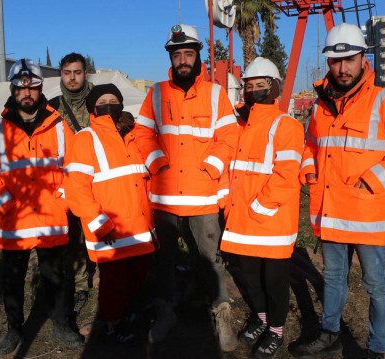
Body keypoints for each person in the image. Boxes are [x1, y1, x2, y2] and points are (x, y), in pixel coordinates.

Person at [291, 24, 385, 359]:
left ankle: (376, 350)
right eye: (336, 61)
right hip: (332, 214)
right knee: (334, 280)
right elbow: (309, 145)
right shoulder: (321, 107)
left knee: (378, 287)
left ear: (363, 58)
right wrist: (309, 171)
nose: (342, 68)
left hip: (368, 217)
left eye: (349, 59)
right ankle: (329, 334)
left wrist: (377, 177)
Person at [133, 24, 239, 351]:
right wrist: (158, 164)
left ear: (198, 57)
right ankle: (166, 311)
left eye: (188, 54)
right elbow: (141, 135)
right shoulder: (155, 93)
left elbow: (228, 138)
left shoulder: (215, 94)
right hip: (164, 198)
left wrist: (210, 169)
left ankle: (221, 311)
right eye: (177, 54)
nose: (182, 60)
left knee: (211, 259)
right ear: (171, 57)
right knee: (163, 261)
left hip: (203, 197)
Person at [0, 58, 84, 354]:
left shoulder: (59, 126)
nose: (27, 94)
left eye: (33, 88)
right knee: (12, 280)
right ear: (13, 90)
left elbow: (76, 168)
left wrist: (63, 199)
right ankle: (14, 330)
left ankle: (61, 324)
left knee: (56, 277)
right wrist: (4, 203)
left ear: (40, 88)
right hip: (15, 222)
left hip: (51, 219)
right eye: (21, 89)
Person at [221, 57, 304, 359]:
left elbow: (286, 178)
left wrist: (259, 208)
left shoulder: (287, 125)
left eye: (260, 85)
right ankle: (262, 318)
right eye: (249, 86)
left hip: (270, 222)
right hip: (242, 220)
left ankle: (276, 331)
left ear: (274, 87)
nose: (254, 90)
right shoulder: (241, 125)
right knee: (251, 278)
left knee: (275, 281)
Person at [64, 84, 156, 345]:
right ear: (93, 107)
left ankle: (129, 314)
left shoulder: (134, 134)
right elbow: (76, 189)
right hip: (111, 230)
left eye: (113, 99)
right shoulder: (86, 138)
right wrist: (100, 224)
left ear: (121, 103)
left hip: (139, 227)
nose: (108, 104)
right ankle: (114, 324)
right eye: (102, 100)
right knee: (113, 283)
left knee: (138, 276)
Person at [48, 52, 95, 316]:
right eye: (67, 73)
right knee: (73, 236)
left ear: (85, 73)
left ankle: (112, 274)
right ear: (62, 75)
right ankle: (80, 286)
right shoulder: (52, 107)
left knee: (104, 226)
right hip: (68, 180)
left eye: (77, 72)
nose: (72, 77)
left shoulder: (100, 100)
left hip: (99, 178)